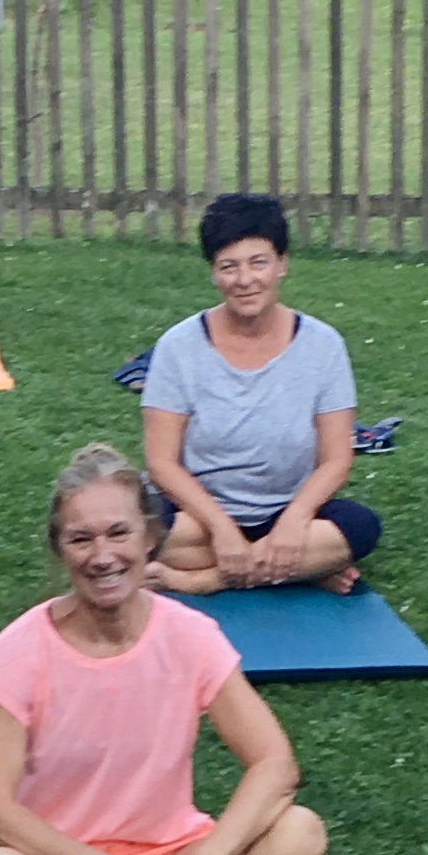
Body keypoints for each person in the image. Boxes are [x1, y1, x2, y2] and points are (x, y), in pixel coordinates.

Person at [0, 443, 328, 855]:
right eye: (81, 539)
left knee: (301, 834)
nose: (102, 555)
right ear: (59, 550)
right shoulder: (22, 647)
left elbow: (275, 766)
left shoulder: (190, 634)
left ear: (149, 537)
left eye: (118, 533)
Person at [141, 191, 380, 595]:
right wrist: (221, 529)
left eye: (258, 263)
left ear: (281, 264)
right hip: (197, 517)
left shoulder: (323, 345)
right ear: (213, 273)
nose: (245, 280)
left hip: (288, 515)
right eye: (228, 267)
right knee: (137, 530)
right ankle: (299, 568)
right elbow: (161, 464)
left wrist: (294, 521)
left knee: (360, 527)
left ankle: (200, 580)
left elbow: (336, 459)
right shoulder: (177, 347)